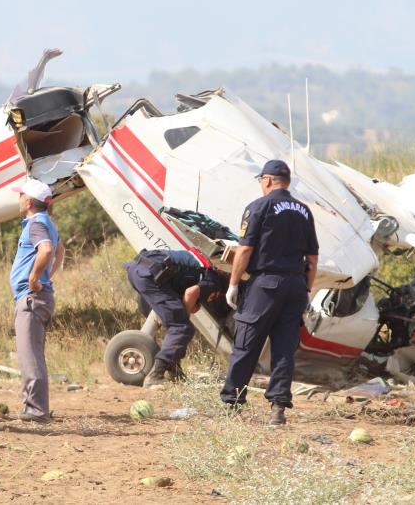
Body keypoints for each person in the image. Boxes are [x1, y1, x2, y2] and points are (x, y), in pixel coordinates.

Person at [220, 159, 319, 426]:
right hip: (296, 286)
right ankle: (278, 409)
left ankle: (232, 401)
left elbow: (244, 249)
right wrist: (307, 289)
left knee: (246, 343)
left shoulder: (259, 207)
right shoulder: (304, 211)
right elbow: (312, 257)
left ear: (266, 181)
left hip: (266, 285)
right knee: (284, 348)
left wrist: (233, 283)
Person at [8, 178, 65, 422]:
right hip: (39, 296)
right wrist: (46, 275)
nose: (18, 199)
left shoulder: (35, 223)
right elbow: (59, 249)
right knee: (34, 354)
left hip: (32, 298)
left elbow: (47, 250)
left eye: (20, 195)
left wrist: (34, 278)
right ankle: (36, 408)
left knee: (29, 356)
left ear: (29, 201)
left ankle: (36, 410)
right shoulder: (47, 222)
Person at [126, 249, 225, 387]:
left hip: (137, 270)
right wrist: (180, 326)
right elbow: (191, 294)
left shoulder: (201, 262)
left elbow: (188, 297)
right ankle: (155, 376)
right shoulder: (214, 278)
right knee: (182, 328)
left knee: (179, 326)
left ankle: (175, 372)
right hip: (152, 274)